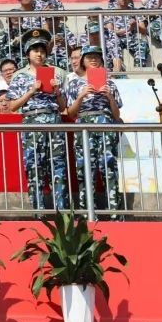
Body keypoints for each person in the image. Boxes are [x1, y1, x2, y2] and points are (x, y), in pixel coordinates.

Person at [5, 29, 69, 211]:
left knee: (58, 166)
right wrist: (32, 91)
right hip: (32, 121)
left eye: (42, 51)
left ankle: (62, 212)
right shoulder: (20, 76)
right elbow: (12, 106)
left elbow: (63, 106)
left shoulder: (56, 73)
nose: (39, 54)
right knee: (34, 167)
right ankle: (38, 211)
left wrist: (57, 91)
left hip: (53, 120)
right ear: (27, 54)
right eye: (35, 51)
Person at [65, 46, 123, 215]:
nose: (93, 59)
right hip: (84, 125)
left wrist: (109, 97)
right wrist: (81, 96)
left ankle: (115, 213)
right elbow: (70, 113)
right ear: (82, 61)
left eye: (97, 57)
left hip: (105, 124)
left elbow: (117, 114)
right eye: (89, 57)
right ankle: (87, 214)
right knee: (85, 169)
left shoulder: (110, 83)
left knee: (109, 168)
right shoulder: (75, 83)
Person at [108, 0, 150, 69]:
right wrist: (129, 29)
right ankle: (118, 69)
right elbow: (110, 31)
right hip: (117, 39)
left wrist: (136, 25)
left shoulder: (135, 12)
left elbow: (144, 30)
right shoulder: (110, 12)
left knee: (142, 44)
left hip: (131, 39)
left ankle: (139, 68)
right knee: (112, 43)